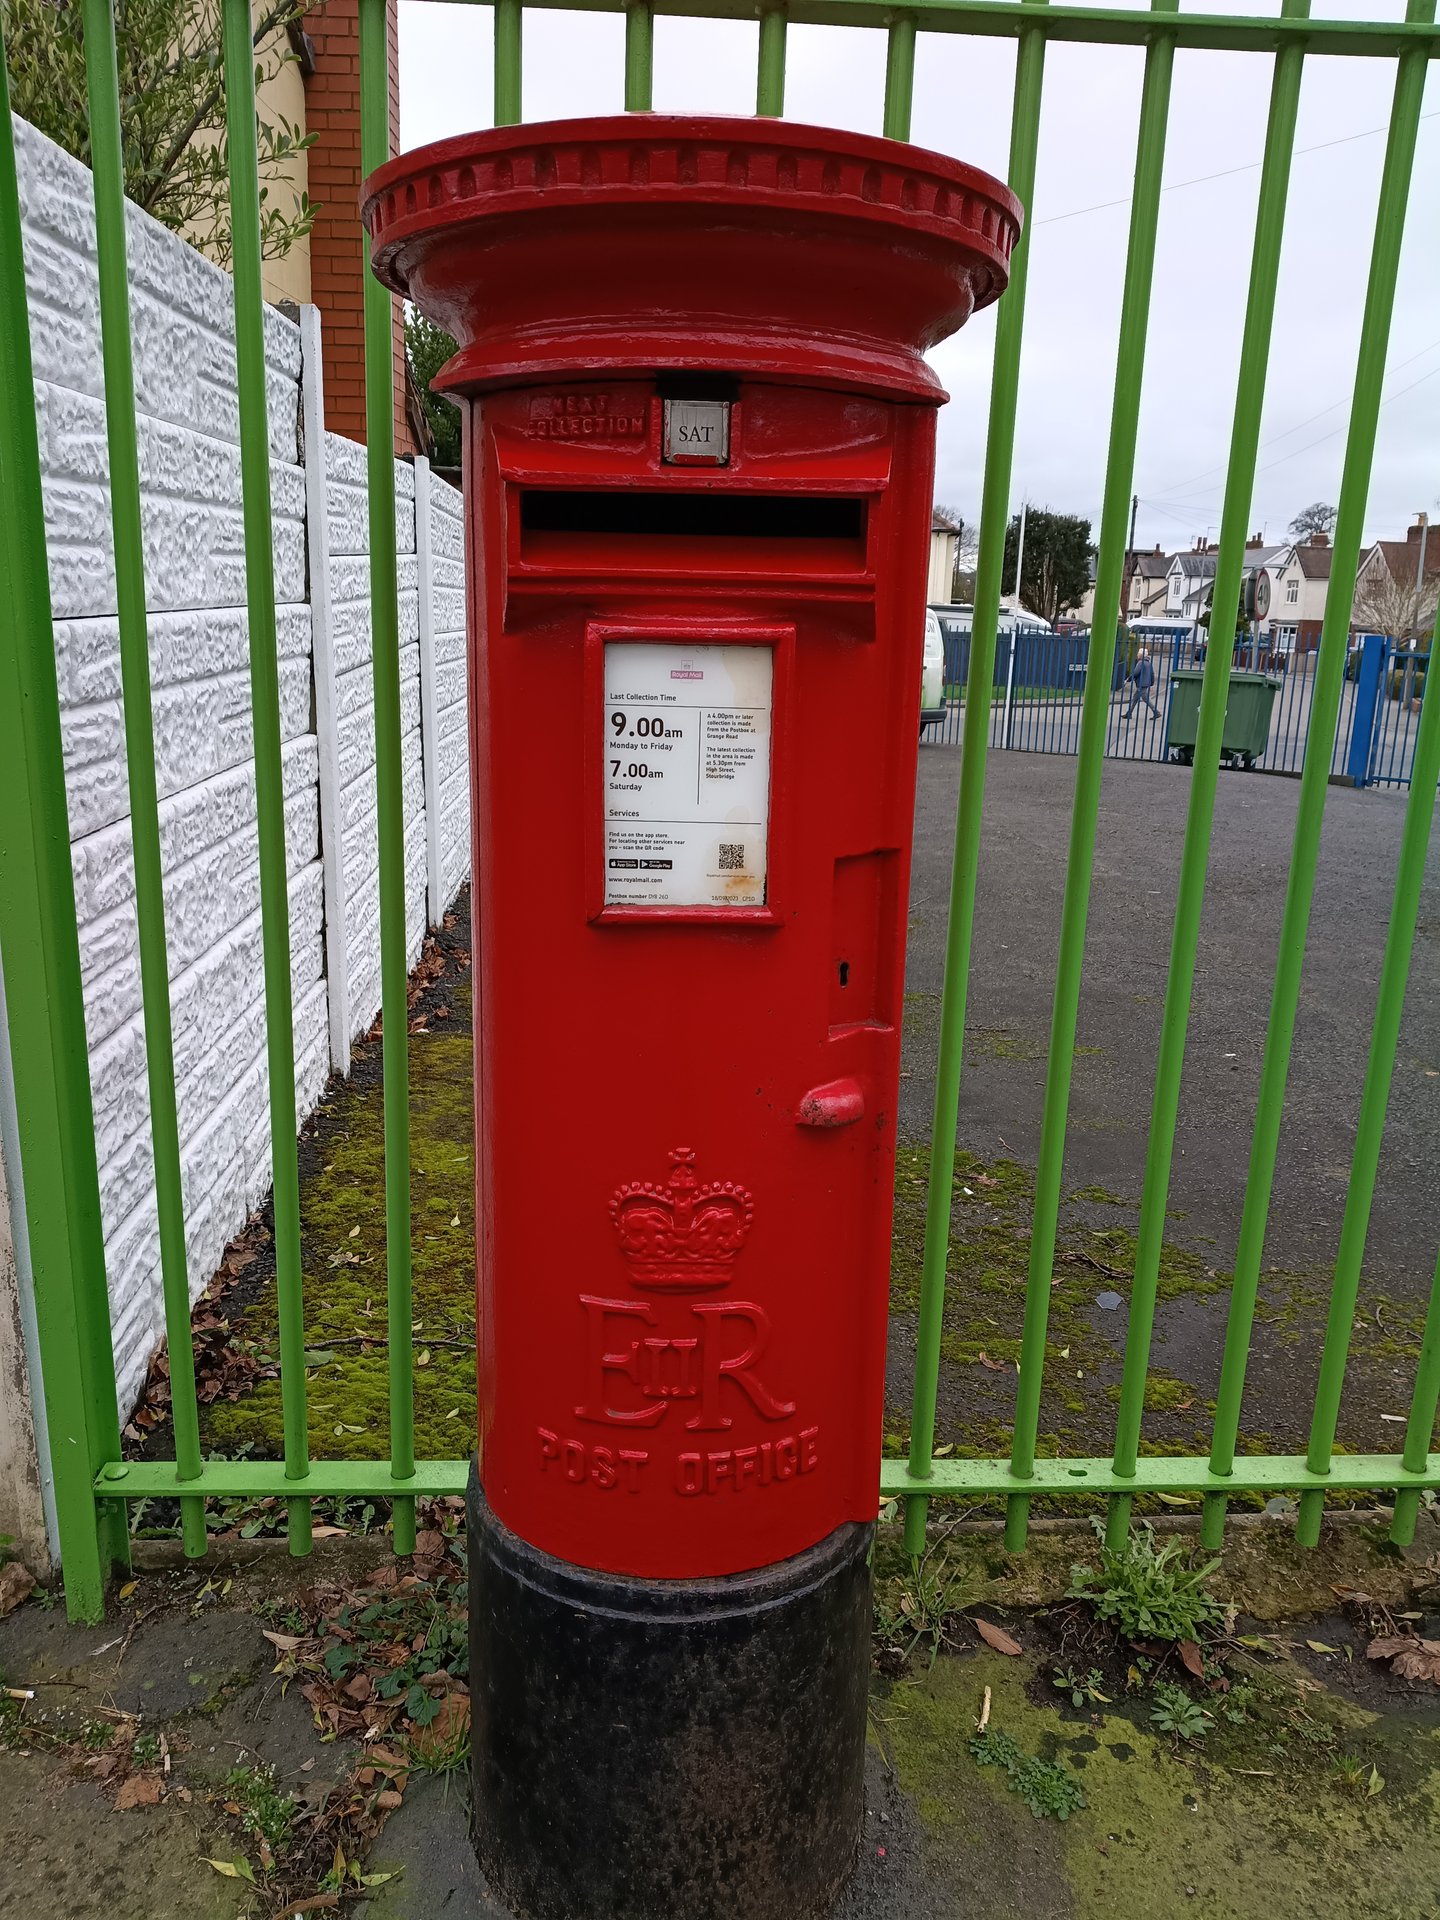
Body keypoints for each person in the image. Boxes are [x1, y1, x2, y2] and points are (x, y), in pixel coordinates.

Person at [1125, 645, 1160, 718]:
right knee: (1135, 699)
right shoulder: (1148, 663)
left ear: (1141, 655)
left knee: (1145, 699)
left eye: (1138, 654)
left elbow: (1136, 672)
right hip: (1145, 684)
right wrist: (1151, 683)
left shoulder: (1141, 663)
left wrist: (1128, 679)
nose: (1137, 655)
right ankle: (1129, 713)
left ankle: (1156, 712)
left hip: (1141, 684)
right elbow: (1152, 674)